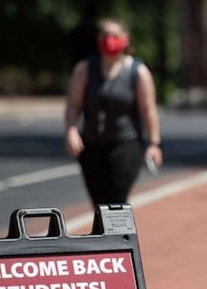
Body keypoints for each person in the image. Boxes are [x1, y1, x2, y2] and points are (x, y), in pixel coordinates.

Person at [64, 18, 163, 207]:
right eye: (105, 35)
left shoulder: (138, 72)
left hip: (125, 144)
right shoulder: (85, 69)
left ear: (126, 39)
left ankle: (120, 236)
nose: (109, 40)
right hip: (92, 145)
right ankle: (103, 237)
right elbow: (73, 104)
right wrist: (71, 130)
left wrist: (154, 144)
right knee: (99, 203)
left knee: (117, 198)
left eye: (115, 36)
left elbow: (148, 110)